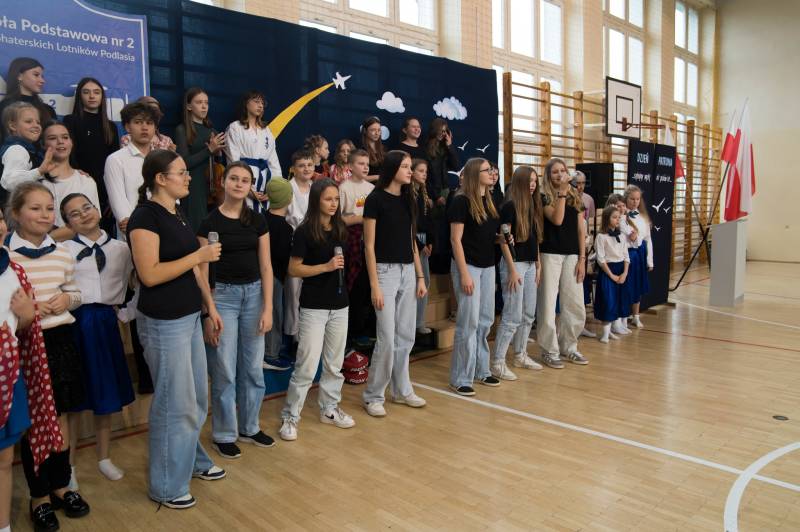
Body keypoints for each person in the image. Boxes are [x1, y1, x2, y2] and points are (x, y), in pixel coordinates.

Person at [127, 149, 226, 509]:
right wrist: (199, 255)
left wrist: (209, 306)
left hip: (188, 317)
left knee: (196, 398)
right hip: (163, 323)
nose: (188, 177)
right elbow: (150, 274)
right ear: (160, 179)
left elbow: (194, 270)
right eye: (181, 172)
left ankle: (192, 460)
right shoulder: (145, 216)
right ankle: (166, 486)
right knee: (174, 403)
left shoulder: (176, 213)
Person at [6, 182, 91, 530]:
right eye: (35, 208)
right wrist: (26, 312)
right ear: (16, 214)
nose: (44, 215)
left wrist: (67, 300)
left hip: (60, 341)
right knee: (35, 422)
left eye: (49, 208)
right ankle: (38, 495)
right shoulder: (7, 257)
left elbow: (75, 292)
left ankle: (61, 485)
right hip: (26, 344)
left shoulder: (62, 253)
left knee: (62, 417)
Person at [199, 162, 275, 459]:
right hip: (223, 298)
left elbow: (266, 266)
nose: (239, 184)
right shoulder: (209, 223)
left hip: (254, 295)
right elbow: (203, 271)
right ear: (224, 182)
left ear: (250, 186)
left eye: (245, 180)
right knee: (225, 369)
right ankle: (224, 433)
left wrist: (268, 307)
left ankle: (250, 426)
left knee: (253, 367)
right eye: (234, 178)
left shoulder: (257, 221)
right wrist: (209, 312)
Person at [60, 193, 135, 482]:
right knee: (75, 398)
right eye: (74, 214)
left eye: (87, 208)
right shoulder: (63, 250)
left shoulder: (121, 249)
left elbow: (134, 283)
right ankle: (68, 466)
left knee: (106, 391)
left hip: (105, 322)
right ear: (67, 223)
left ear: (98, 210)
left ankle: (104, 457)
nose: (83, 215)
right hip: (75, 324)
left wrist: (127, 313)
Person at [0, 207, 63, 532]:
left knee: (4, 458)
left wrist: (27, 314)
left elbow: (20, 325)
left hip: (8, 376)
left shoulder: (12, 270)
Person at [279, 179, 355, 441]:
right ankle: (291, 416)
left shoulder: (340, 228)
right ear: (316, 200)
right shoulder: (304, 232)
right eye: (328, 199)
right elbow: (293, 269)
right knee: (307, 366)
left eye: (336, 199)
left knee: (334, 364)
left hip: (340, 305)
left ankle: (329, 408)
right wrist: (325, 267)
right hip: (314, 307)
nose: (333, 204)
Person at [362, 150, 427, 415]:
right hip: (384, 272)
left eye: (411, 166)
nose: (410, 171)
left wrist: (420, 276)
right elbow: (368, 246)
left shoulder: (409, 199)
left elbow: (412, 241)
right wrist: (375, 285)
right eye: (405, 167)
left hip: (408, 271)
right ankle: (373, 395)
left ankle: (401, 389)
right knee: (387, 338)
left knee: (406, 335)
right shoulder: (375, 199)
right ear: (392, 169)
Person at [447, 158, 502, 396]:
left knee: (485, 320)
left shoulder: (489, 200)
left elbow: (486, 234)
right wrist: (464, 273)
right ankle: (460, 377)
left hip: (488, 266)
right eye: (487, 170)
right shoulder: (461, 201)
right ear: (474, 174)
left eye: (491, 169)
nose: (492, 173)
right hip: (468, 266)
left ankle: (481, 369)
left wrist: (500, 239)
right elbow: (455, 240)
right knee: (468, 323)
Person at [491, 166, 544, 379]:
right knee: (512, 315)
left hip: (530, 264)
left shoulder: (533, 204)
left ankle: (520, 354)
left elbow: (535, 238)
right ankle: (498, 362)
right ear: (520, 182)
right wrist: (512, 269)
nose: (532, 184)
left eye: (535, 181)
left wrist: (538, 265)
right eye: (529, 180)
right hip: (515, 265)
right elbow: (504, 240)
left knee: (529, 313)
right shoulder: (510, 206)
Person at [537, 158, 588, 369]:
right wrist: (562, 192)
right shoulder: (543, 196)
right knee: (548, 304)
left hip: (572, 255)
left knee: (575, 304)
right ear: (548, 176)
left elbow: (581, 229)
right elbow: (557, 220)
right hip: (550, 254)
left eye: (562, 171)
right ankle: (549, 350)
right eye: (555, 172)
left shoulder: (575, 195)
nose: (560, 175)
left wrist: (582, 258)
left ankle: (570, 346)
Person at [63, 77, 121, 235]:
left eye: (96, 92)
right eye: (86, 92)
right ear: (79, 96)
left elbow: (114, 163)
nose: (92, 96)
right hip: (79, 186)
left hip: (105, 190)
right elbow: (69, 156)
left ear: (102, 96)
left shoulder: (110, 127)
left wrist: (113, 197)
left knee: (105, 235)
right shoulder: (71, 121)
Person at [104, 101, 159, 239]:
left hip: (163, 230)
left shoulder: (162, 159)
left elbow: (172, 198)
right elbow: (118, 202)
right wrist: (137, 226)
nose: (144, 127)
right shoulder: (115, 159)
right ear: (127, 127)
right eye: (138, 122)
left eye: (149, 123)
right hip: (132, 233)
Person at [175, 87, 226, 230]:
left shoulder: (212, 130)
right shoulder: (182, 129)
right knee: (196, 228)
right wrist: (209, 150)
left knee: (214, 228)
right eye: (199, 102)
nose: (204, 106)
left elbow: (220, 163)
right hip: (193, 185)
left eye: (206, 103)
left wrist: (218, 154)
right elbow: (184, 163)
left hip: (213, 186)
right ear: (188, 106)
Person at [39, 122, 101, 242]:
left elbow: (92, 223)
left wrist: (50, 238)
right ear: (43, 145)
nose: (60, 142)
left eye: (65, 137)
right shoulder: (37, 183)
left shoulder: (86, 181)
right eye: (53, 138)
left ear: (71, 142)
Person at [338, 149, 374, 346]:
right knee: (354, 285)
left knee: (368, 285)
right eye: (361, 163)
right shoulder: (344, 188)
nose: (365, 167)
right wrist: (359, 218)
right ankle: (352, 331)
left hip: (370, 237)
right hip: (352, 241)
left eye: (367, 163)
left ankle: (364, 328)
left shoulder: (371, 188)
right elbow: (339, 218)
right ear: (350, 166)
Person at [224, 91, 281, 213]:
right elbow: (233, 161)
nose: (260, 106)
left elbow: (274, 163)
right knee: (243, 214)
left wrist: (273, 189)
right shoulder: (235, 128)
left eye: (262, 103)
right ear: (246, 104)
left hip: (265, 184)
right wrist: (247, 189)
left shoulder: (266, 131)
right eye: (256, 102)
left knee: (263, 218)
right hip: (243, 181)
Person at [263, 177, 294, 371]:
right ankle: (270, 354)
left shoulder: (261, 219)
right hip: (274, 278)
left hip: (259, 275)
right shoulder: (285, 228)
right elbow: (284, 258)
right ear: (288, 199)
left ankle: (266, 351)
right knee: (274, 314)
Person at [284, 150, 314, 338]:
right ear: (293, 169)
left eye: (310, 165)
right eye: (302, 165)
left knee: (310, 292)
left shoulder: (316, 188)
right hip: (293, 243)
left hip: (314, 244)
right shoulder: (287, 188)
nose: (306, 169)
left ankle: (308, 333)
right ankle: (293, 336)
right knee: (293, 292)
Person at [594, 205, 631, 343]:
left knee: (618, 300)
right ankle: (605, 334)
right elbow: (601, 259)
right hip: (608, 271)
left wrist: (625, 273)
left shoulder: (622, 236)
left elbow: (626, 256)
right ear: (606, 219)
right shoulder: (601, 237)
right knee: (608, 301)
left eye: (619, 217)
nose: (617, 220)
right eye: (614, 217)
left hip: (621, 270)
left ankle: (610, 331)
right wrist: (612, 275)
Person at [1, 102, 55, 195]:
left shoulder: (28, 150)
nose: (36, 125)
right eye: (28, 121)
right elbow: (10, 182)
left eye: (38, 122)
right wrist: (39, 171)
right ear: (13, 126)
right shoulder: (17, 149)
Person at [620, 184, 653, 329]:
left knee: (638, 285)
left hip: (639, 254)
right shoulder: (621, 216)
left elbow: (648, 240)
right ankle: (623, 316)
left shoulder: (642, 217)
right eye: (632, 199)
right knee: (626, 286)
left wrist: (650, 260)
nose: (635, 202)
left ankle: (636, 316)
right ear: (626, 199)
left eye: (638, 199)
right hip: (626, 254)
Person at [0, 57, 56, 141]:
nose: (42, 80)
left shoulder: (48, 110)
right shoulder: (4, 107)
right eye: (36, 75)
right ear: (19, 76)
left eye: (42, 76)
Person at [410, 158, 434, 335]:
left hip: (424, 241)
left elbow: (429, 221)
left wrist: (430, 241)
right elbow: (409, 224)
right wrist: (419, 244)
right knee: (416, 282)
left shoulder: (424, 194)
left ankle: (419, 321)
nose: (424, 174)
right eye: (420, 171)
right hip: (413, 241)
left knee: (424, 281)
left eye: (425, 171)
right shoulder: (408, 195)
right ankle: (412, 323)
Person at [425, 117, 460, 204]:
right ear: (434, 130)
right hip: (431, 192)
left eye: (444, 131)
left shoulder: (445, 148)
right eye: (440, 130)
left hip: (444, 189)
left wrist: (449, 146)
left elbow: (456, 167)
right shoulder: (425, 148)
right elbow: (427, 176)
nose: (442, 133)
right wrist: (436, 196)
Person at [361, 116, 384, 181]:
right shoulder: (361, 151)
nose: (377, 133)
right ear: (365, 131)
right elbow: (359, 177)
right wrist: (377, 177)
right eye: (373, 130)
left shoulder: (384, 150)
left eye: (379, 130)